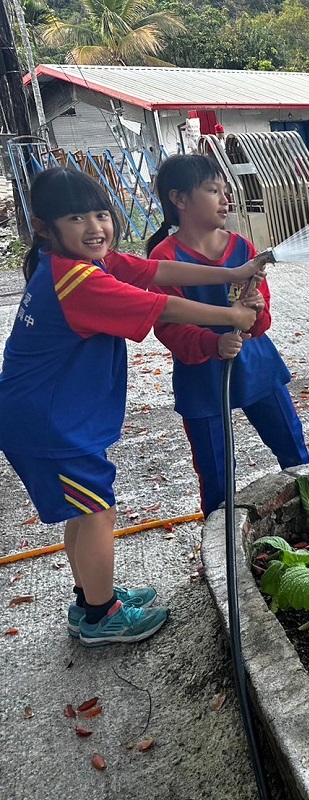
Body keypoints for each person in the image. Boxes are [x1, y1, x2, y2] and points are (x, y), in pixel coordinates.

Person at [0, 168, 269, 646]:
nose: (94, 227)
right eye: (76, 217)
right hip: (48, 425)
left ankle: (92, 600)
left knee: (83, 512)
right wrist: (231, 315)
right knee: (98, 512)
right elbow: (161, 305)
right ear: (44, 227)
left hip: (51, 418)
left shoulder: (79, 264)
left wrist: (233, 273)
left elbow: (158, 272)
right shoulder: (78, 280)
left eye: (101, 214)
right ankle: (102, 617)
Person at [146, 154, 309, 518]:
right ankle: (223, 554)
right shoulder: (164, 259)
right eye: (213, 190)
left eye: (226, 190)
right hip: (202, 376)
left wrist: (256, 310)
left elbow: (260, 316)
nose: (225, 199)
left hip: (256, 365)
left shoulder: (242, 247)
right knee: (216, 473)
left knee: (293, 449)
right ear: (180, 199)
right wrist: (212, 343)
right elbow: (168, 326)